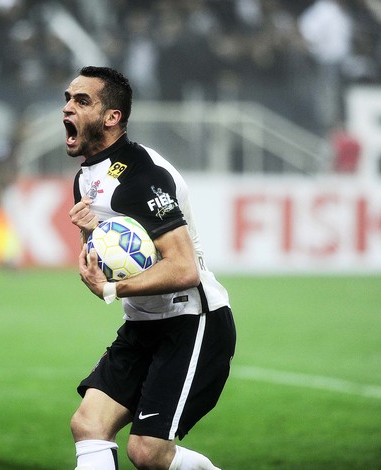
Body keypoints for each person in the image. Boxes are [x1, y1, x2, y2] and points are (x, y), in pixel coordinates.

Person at [64, 66, 236, 470]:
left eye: (81, 100)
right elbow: (108, 258)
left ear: (112, 117)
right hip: (144, 324)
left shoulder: (142, 174)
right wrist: (91, 237)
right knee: (88, 423)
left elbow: (184, 269)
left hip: (193, 322)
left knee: (147, 451)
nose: (68, 108)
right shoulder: (85, 177)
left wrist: (112, 290)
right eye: (68, 99)